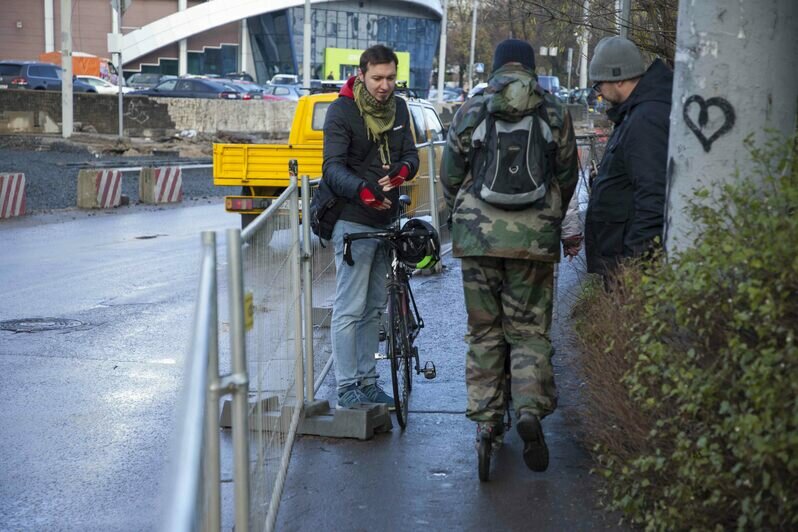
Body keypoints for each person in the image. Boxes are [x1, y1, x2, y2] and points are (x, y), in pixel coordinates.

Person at [441, 38, 578, 472]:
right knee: (529, 331)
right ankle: (528, 411)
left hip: (477, 239)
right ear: (532, 66)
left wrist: (464, 213)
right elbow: (567, 174)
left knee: (484, 332)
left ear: (496, 68)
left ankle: (485, 424)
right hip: (533, 242)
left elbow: (450, 174)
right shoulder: (553, 110)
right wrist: (546, 218)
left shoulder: (471, 108)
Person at [322, 44, 419, 409]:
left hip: (387, 220)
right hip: (353, 221)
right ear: (361, 75)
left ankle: (368, 381)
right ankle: (347, 387)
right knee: (350, 307)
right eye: (377, 78)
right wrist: (363, 192)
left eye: (391, 78)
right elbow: (331, 168)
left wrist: (403, 172)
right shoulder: (342, 111)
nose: (384, 85)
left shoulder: (400, 108)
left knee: (375, 308)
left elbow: (410, 154)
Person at [584, 36, 673, 280]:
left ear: (619, 78)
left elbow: (653, 194)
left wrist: (635, 264)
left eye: (599, 83)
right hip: (622, 256)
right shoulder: (637, 113)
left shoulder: (646, 119)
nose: (599, 91)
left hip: (630, 264)